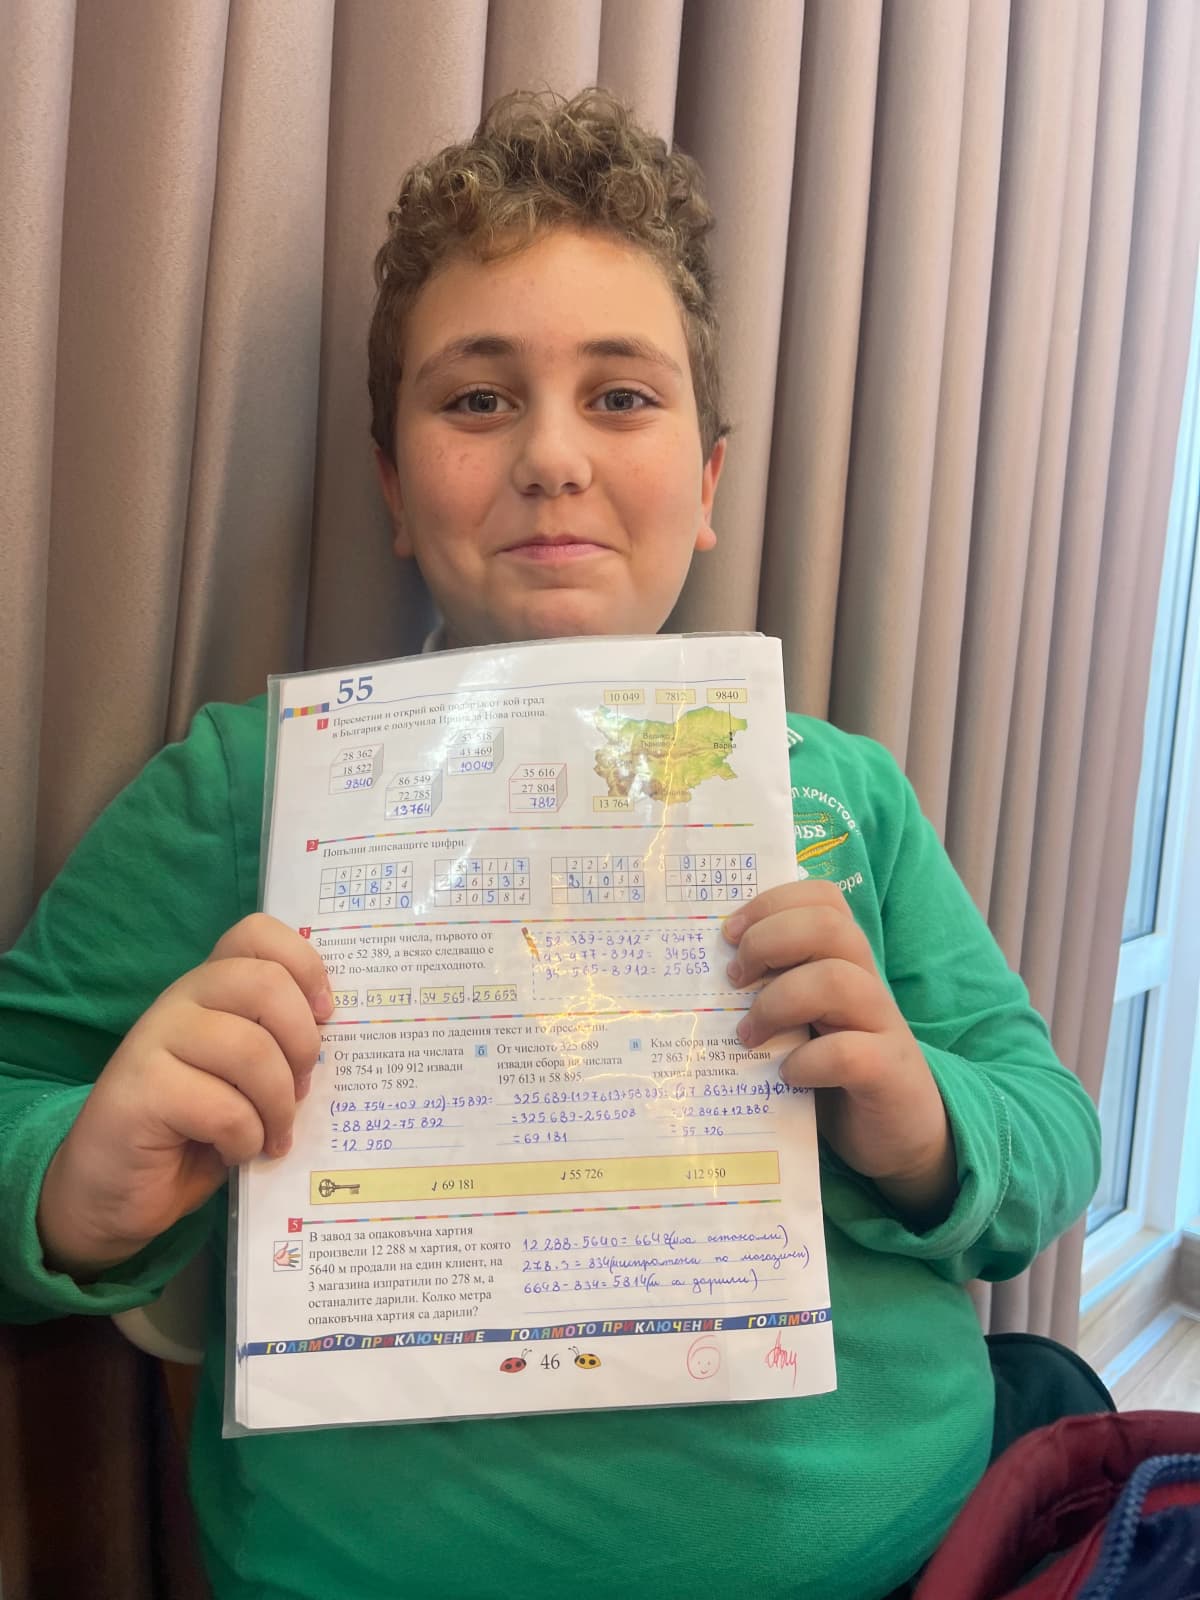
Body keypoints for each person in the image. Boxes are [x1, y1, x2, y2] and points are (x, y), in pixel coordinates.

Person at [0, 89, 1101, 1600]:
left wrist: (921, 1124)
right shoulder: (246, 789)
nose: (552, 458)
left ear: (707, 486)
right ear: (394, 489)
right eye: (476, 400)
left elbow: (1054, 1134)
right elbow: (16, 1091)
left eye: (623, 396)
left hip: (917, 1558)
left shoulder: (839, 791)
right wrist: (73, 1186)